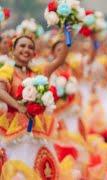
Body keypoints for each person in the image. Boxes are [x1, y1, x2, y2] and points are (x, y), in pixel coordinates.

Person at [0, 32, 68, 178]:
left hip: (36, 126)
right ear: (13, 50)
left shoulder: (38, 72)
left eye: (30, 47)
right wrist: (18, 106)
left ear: (34, 53)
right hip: (13, 127)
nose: (26, 49)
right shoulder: (8, 70)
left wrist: (67, 34)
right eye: (22, 46)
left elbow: (60, 59)